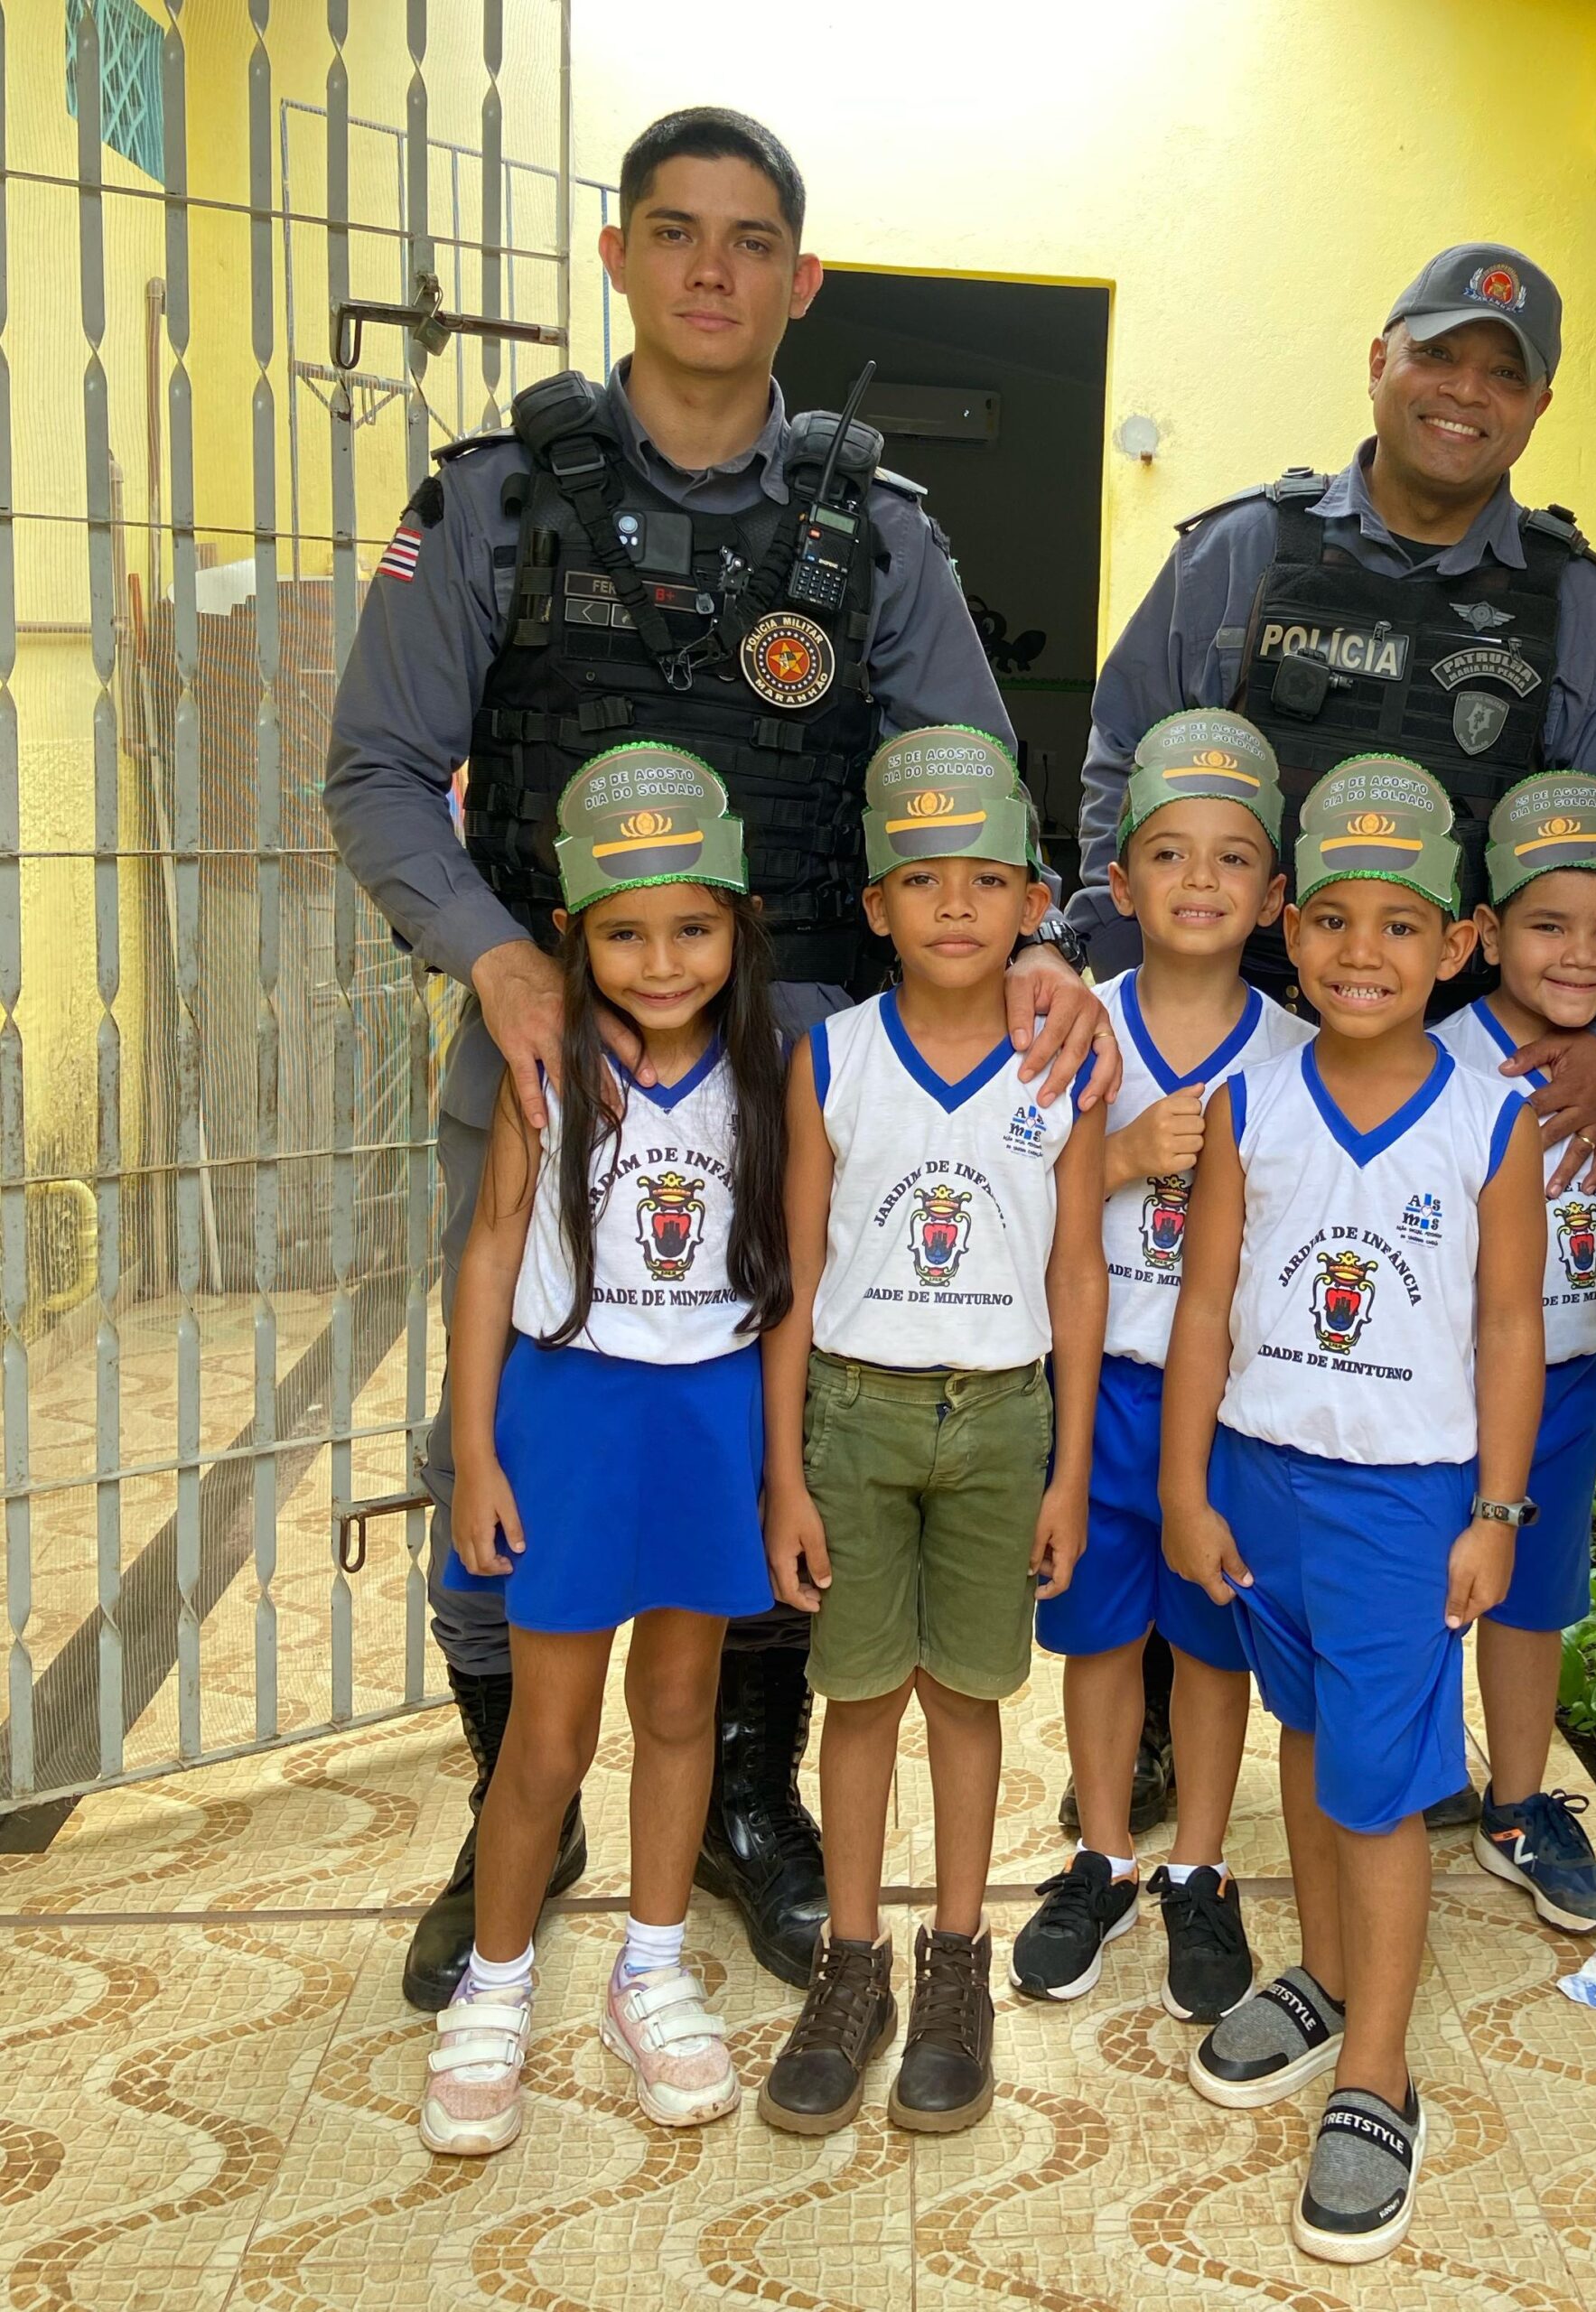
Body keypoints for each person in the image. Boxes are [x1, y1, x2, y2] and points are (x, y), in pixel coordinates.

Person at [323, 104, 1109, 2011]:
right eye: (672, 231)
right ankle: (517, 1797)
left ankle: (747, 1795)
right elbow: (372, 774)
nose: (708, 268)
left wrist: (1046, 962)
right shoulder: (497, 495)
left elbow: (981, 800)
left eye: (749, 240)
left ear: (798, 279)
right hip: (545, 1050)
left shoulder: (876, 533)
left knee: (776, 1424)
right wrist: (504, 963)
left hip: (810, 1060)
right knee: (497, 1424)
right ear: (616, 256)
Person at [1072, 240, 1596, 1214]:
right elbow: (1125, 766)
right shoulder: (1244, 551)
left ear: (1539, 407)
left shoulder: (1581, 610)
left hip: (1467, 1078)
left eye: (1505, 372)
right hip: (1222, 1048)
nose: (1466, 392)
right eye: (1438, 356)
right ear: (1379, 363)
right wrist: (1123, 983)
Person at [1161, 756, 1543, 2263]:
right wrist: (1186, 1484)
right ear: (1288, 933)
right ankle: (1321, 1981)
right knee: (1310, 1744)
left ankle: (1375, 2076)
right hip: (1260, 1479)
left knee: (1379, 1794)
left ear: (1456, 945)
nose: (1362, 953)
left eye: (1400, 925)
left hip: (1404, 1502)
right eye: (1330, 921)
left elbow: (1510, 1328)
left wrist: (1497, 1507)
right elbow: (1201, 1313)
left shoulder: (1487, 1121)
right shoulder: (1243, 1108)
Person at [416, 747, 779, 2157]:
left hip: (708, 1417)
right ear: (573, 934)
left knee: (682, 1707)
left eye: (692, 927)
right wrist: (479, 1450)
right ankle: (496, 1988)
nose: (663, 958)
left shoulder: (767, 1072)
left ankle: (652, 1965)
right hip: (570, 1417)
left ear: (737, 927)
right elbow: (493, 1252)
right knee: (553, 1731)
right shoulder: (545, 1066)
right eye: (626, 932)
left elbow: (788, 1275)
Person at [756, 728, 1107, 2138]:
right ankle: (854, 1964)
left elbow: (1080, 1271)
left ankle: (953, 1959)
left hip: (1005, 1416)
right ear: (876, 904)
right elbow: (790, 1273)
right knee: (858, 1699)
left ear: (1036, 903)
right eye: (922, 878)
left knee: (968, 1699)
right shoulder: (830, 1059)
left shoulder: (1060, 1065)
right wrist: (784, 1471)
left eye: (986, 878)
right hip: (856, 1413)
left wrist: (1070, 1469)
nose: (955, 904)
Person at [1014, 710, 1310, 2024]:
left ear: (1274, 898)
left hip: (1226, 1410)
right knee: (1100, 1635)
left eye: (1234, 858)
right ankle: (1102, 1856)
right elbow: (1006, 1203)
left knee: (1210, 1643)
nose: (1201, 882)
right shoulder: (1079, 1031)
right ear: (1117, 885)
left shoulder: (1301, 1057)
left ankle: (1199, 1862)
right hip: (1097, 1387)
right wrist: (1124, 1157)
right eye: (1171, 856)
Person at [1432, 771, 1596, 1934]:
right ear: (1488, 933)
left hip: (1568, 1380)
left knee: (1527, 1603)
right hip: (1439, 1380)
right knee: (1422, 1588)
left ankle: (1514, 1804)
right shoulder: (1441, 1058)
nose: (1579, 956)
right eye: (1547, 927)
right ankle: (1414, 1780)